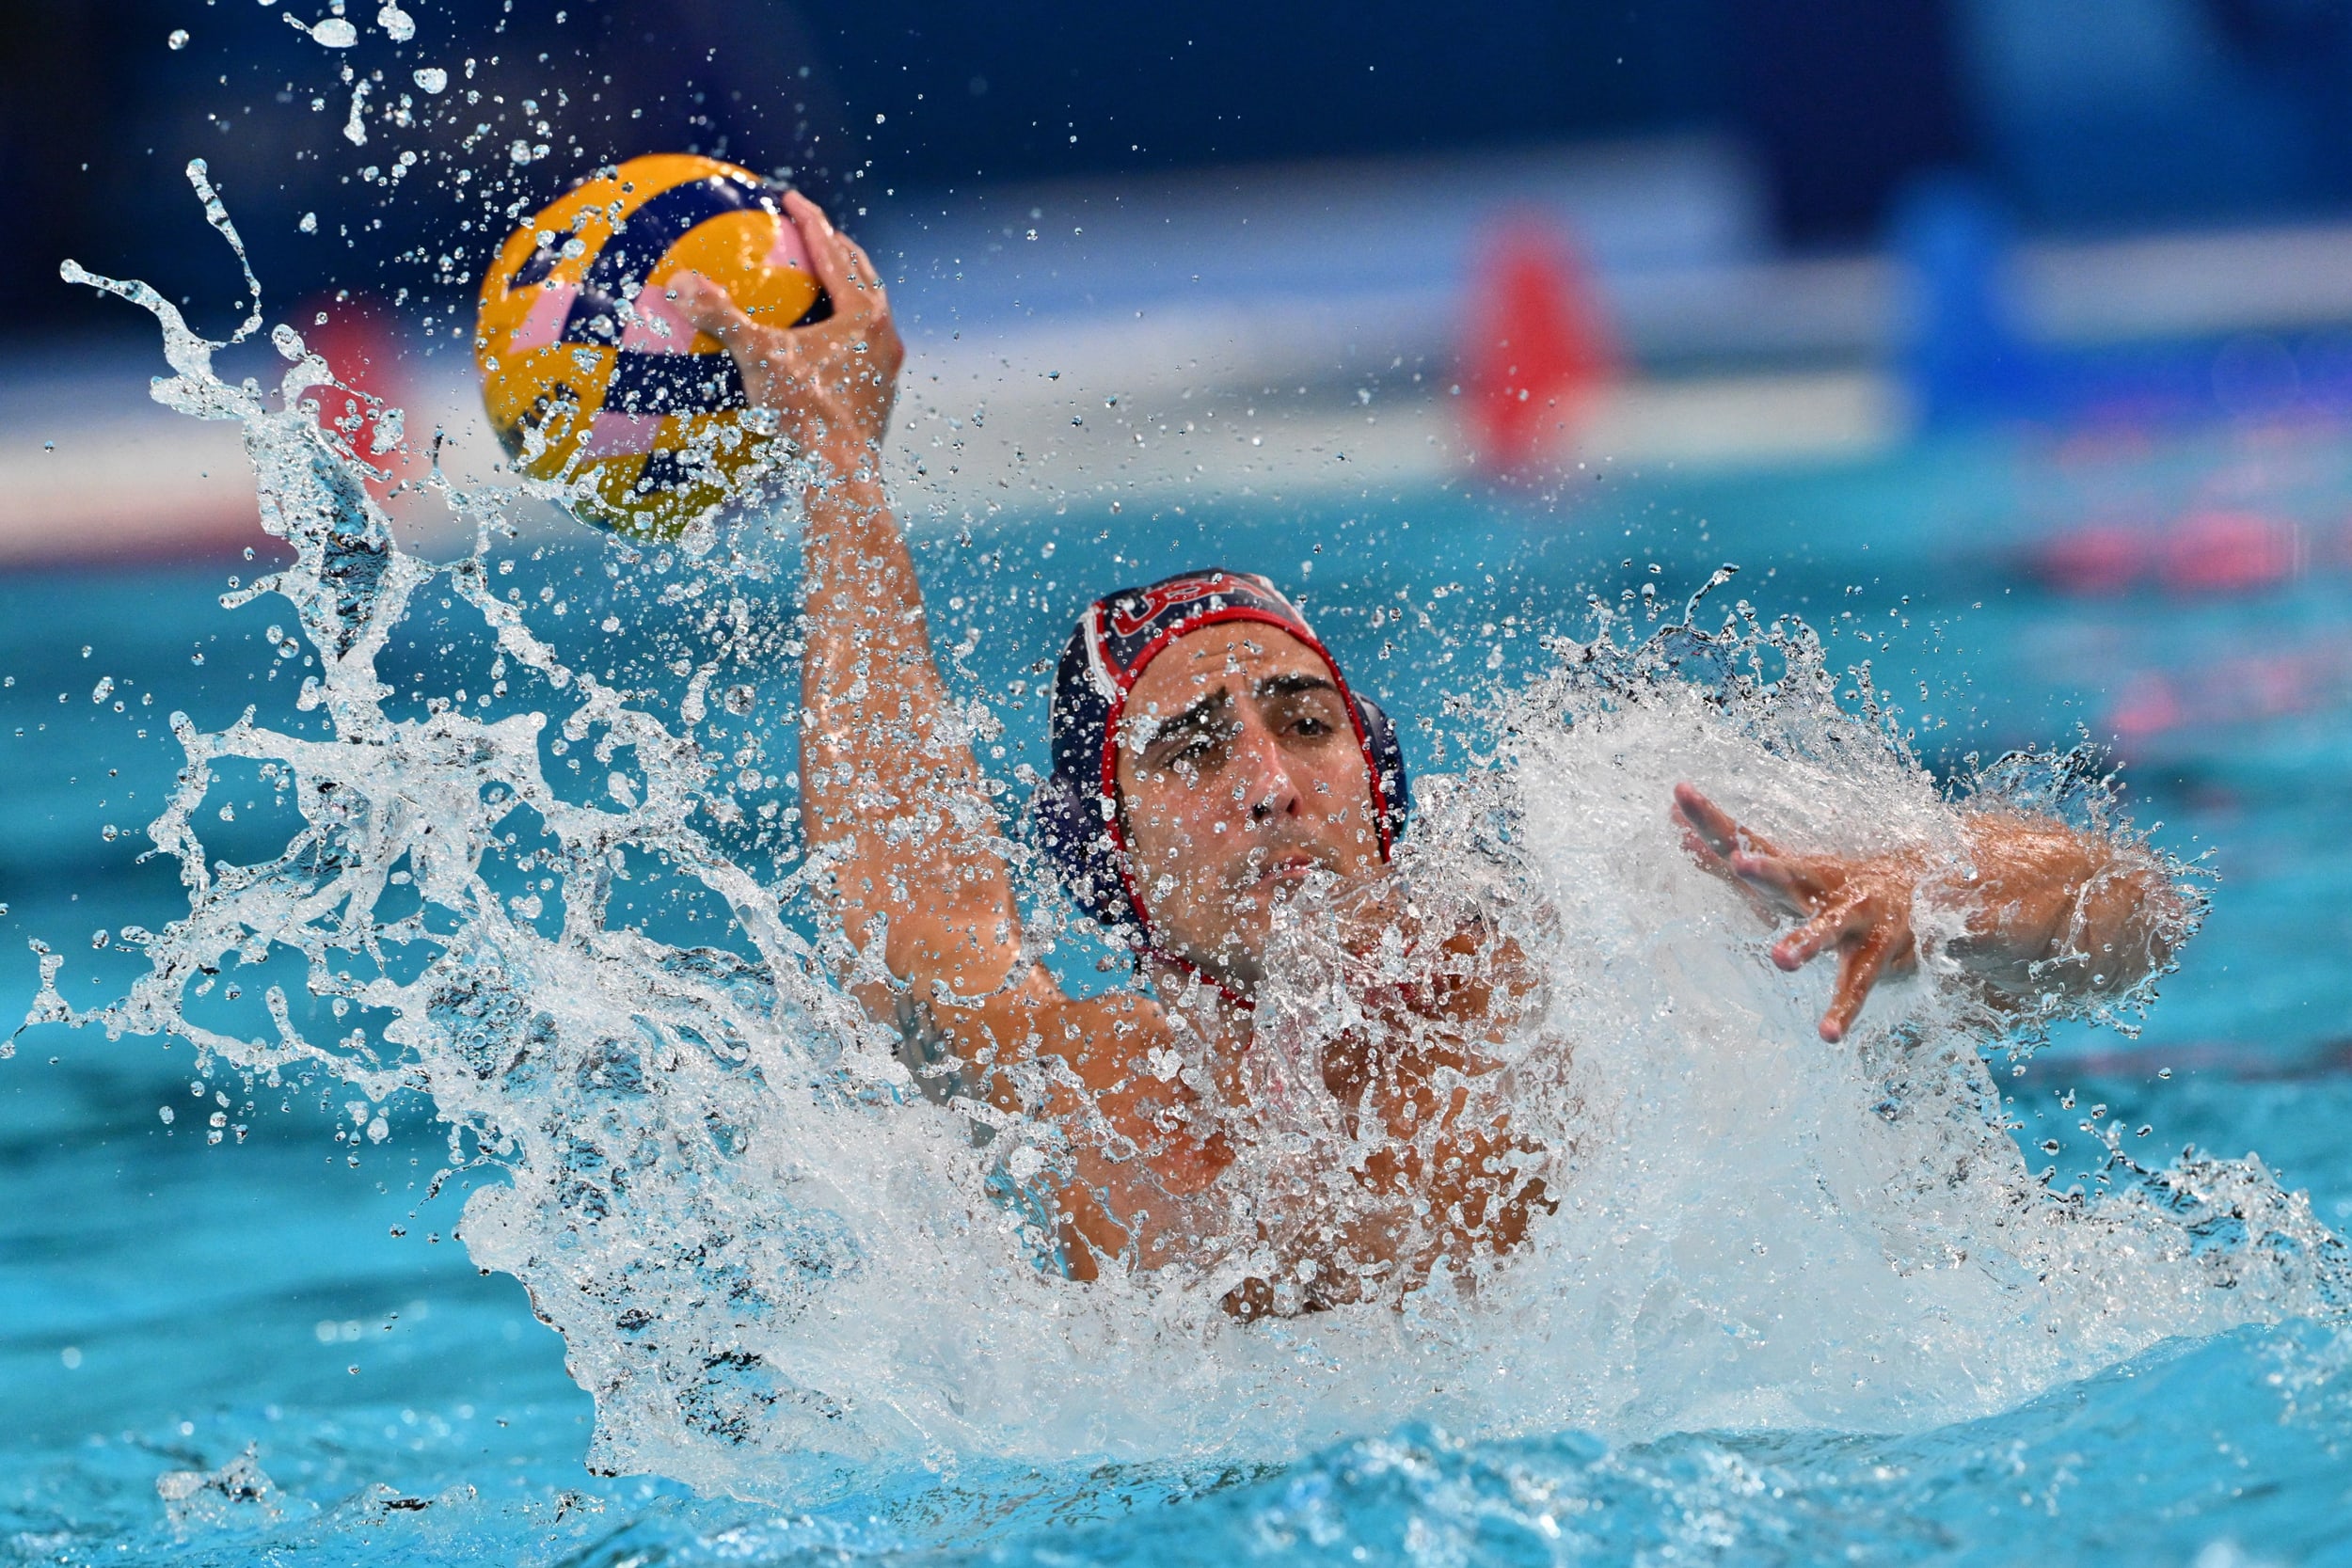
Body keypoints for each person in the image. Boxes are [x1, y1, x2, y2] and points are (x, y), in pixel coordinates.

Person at [667, 194, 2186, 1315]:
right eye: (1192, 751)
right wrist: (839, 470)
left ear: (1379, 786)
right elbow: (903, 907)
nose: (1271, 780)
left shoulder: (1583, 956)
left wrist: (1936, 894)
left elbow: (2135, 915)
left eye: (1306, 723)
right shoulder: (1095, 1091)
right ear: (1102, 855)